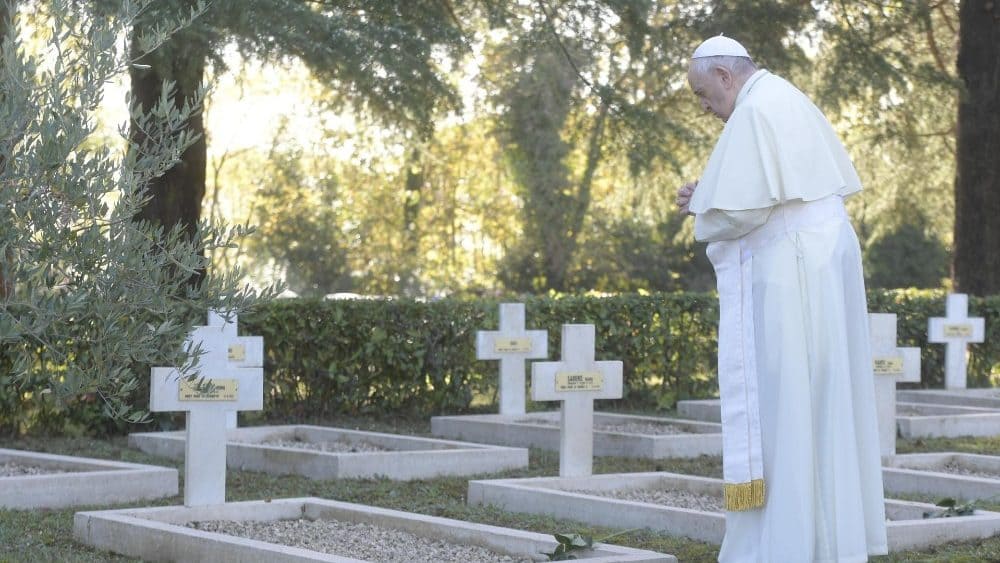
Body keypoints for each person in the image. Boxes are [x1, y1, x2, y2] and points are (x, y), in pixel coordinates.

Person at [675, 36, 889, 562]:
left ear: (726, 76)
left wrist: (699, 204)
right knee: (818, 405)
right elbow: (760, 192)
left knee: (790, 405)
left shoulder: (755, 110)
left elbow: (740, 212)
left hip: (794, 272)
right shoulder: (780, 97)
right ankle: (823, 542)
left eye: (704, 94)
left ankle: (789, 546)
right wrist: (712, 195)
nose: (705, 108)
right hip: (814, 262)